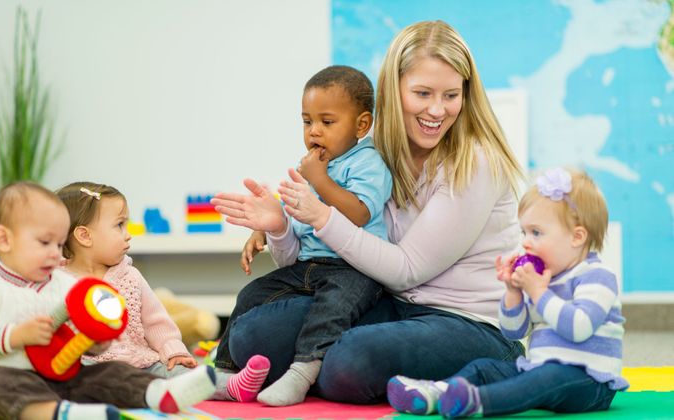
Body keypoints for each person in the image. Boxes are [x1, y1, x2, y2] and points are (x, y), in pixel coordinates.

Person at [210, 19, 525, 405]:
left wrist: (323, 217)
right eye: (422, 93)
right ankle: (322, 370)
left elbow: (408, 268)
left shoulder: (475, 162)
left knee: (351, 361)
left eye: (451, 95)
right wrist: (279, 225)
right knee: (251, 337)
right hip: (389, 304)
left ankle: (496, 368)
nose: (437, 110)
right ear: (394, 92)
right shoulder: (369, 152)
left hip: (467, 321)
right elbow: (303, 254)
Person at [213, 65, 393, 406]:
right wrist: (265, 229)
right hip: (309, 265)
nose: (314, 132)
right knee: (253, 293)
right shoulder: (314, 166)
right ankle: (224, 372)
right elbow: (297, 215)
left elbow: (358, 213)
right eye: (307, 121)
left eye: (327, 122)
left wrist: (320, 179)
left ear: (361, 125)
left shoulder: (367, 163)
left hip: (353, 269)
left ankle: (302, 372)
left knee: (331, 309)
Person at [387, 168, 627, 417]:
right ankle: (437, 393)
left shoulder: (597, 277)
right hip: (539, 370)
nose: (525, 242)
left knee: (548, 376)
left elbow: (579, 327)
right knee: (484, 368)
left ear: (577, 237)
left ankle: (477, 402)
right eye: (524, 232)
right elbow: (514, 332)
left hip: (590, 381)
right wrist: (513, 292)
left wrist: (539, 293)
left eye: (536, 232)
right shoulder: (544, 280)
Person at [0, 182, 217, 420]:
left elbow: (78, 332)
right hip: (15, 377)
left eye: (59, 244)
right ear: (4, 240)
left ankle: (156, 393)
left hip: (65, 377)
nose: (55, 253)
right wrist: (17, 336)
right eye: (45, 242)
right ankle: (54, 413)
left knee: (112, 371)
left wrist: (95, 341)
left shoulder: (64, 284)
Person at [56, 182, 270, 401]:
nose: (128, 235)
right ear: (84, 236)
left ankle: (231, 385)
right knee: (81, 382)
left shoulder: (130, 276)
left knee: (179, 374)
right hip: (91, 369)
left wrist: (174, 351)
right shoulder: (57, 283)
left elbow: (156, 322)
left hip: (142, 365)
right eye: (119, 225)